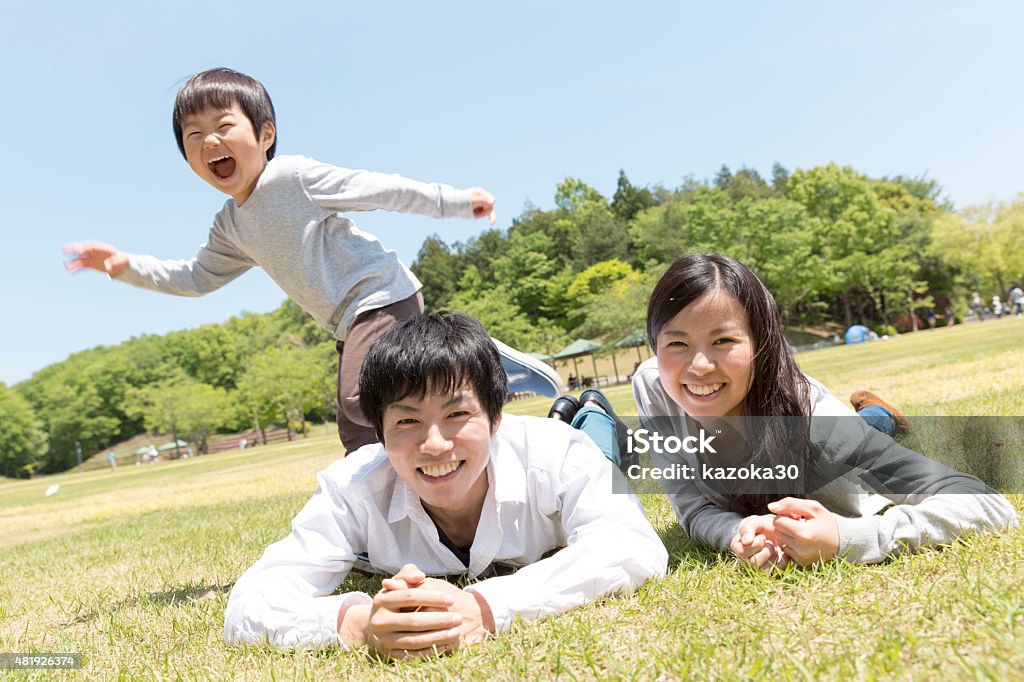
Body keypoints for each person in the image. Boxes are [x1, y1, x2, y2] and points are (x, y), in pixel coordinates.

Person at [62, 68, 497, 453]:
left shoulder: (292, 178)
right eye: (193, 136)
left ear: (265, 135)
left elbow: (378, 189)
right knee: (356, 428)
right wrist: (123, 267)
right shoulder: (231, 226)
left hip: (380, 294)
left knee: (360, 400)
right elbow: (195, 278)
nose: (209, 141)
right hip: (348, 321)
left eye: (223, 126)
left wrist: (455, 202)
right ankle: (376, 513)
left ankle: (466, 368)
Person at [224, 312, 667, 656]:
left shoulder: (556, 452)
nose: (434, 444)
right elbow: (251, 602)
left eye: (457, 415)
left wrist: (485, 608)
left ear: (496, 417)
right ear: (379, 433)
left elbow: (632, 546)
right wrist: (354, 622)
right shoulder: (354, 486)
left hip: (577, 447)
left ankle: (593, 413)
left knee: (599, 444)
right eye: (407, 420)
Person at [631, 253, 1017, 570]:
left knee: (864, 433)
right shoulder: (655, 388)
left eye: (724, 340)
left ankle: (878, 415)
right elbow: (693, 510)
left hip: (836, 443)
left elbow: (987, 504)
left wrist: (848, 538)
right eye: (677, 343)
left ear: (761, 344)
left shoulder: (818, 421)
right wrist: (739, 530)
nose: (698, 366)